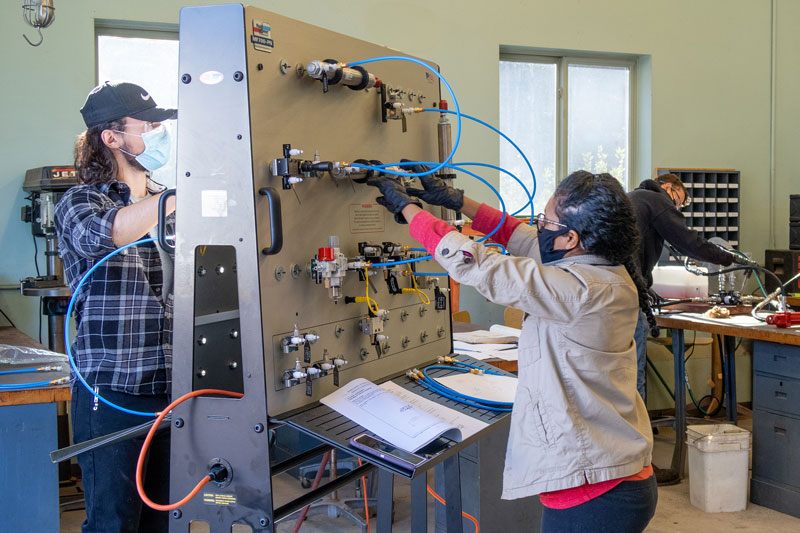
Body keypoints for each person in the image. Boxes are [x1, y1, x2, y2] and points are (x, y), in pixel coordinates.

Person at [369, 168, 657, 532]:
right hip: (608, 478)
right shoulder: (598, 266)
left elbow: (479, 264)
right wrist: (456, 201)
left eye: (545, 220)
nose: (539, 226)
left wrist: (406, 209)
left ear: (570, 238)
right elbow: (518, 236)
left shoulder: (580, 289)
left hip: (596, 492)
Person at [55, 81, 176, 533]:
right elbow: (107, 233)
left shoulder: (170, 202)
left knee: (164, 522)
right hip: (112, 389)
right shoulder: (80, 202)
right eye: (150, 125)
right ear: (112, 137)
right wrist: (177, 197)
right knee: (114, 523)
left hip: (172, 388)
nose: (161, 133)